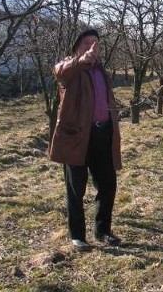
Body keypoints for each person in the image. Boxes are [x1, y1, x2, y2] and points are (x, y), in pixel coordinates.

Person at [49, 29, 123, 251]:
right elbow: (60, 72)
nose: (93, 48)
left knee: (108, 185)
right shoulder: (69, 69)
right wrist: (80, 61)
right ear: (77, 48)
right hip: (78, 137)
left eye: (96, 44)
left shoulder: (101, 72)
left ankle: (102, 230)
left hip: (103, 135)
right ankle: (77, 235)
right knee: (76, 189)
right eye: (87, 43)